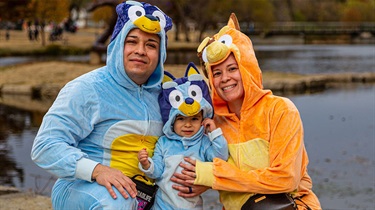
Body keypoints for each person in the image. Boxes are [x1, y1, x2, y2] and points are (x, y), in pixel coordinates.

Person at [170, 14, 322, 210]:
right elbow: (191, 161)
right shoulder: (212, 123)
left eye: (232, 68)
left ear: (247, 67)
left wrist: (214, 176)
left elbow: (286, 179)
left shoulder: (280, 110)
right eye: (216, 73)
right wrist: (200, 180)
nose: (225, 78)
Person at [30, 1, 172, 209]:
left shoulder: (167, 95)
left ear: (161, 54)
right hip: (84, 189)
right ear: (117, 44)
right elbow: (45, 146)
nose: (140, 51)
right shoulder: (87, 88)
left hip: (143, 194)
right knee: (118, 198)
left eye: (151, 45)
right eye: (132, 41)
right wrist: (97, 170)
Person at [137, 63, 228, 209]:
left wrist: (214, 133)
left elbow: (220, 158)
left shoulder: (203, 142)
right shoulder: (163, 143)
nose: (188, 125)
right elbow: (158, 171)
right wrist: (146, 164)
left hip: (192, 205)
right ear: (171, 121)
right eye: (181, 119)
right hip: (163, 205)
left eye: (194, 119)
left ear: (202, 119)